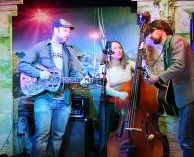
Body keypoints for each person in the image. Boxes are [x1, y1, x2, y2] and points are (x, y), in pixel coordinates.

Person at [18, 18, 85, 157]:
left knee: (57, 137)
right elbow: (23, 65)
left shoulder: (69, 51)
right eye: (65, 30)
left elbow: (76, 73)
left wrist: (82, 80)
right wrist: (39, 73)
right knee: (41, 136)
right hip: (44, 98)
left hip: (64, 100)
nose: (68, 34)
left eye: (69, 31)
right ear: (55, 30)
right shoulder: (41, 47)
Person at [145, 19, 194, 157]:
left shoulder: (177, 41)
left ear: (161, 29)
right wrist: (155, 78)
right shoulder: (168, 46)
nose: (149, 36)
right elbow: (173, 74)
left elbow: (179, 66)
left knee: (186, 139)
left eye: (151, 32)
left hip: (193, 94)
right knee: (187, 138)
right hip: (187, 96)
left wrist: (157, 77)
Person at [98, 40, 147, 157]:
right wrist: (119, 94)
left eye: (120, 47)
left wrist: (143, 54)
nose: (118, 50)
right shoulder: (103, 68)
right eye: (115, 48)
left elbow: (144, 70)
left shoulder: (129, 64)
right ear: (108, 51)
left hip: (126, 107)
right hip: (109, 106)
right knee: (105, 137)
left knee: (126, 136)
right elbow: (106, 88)